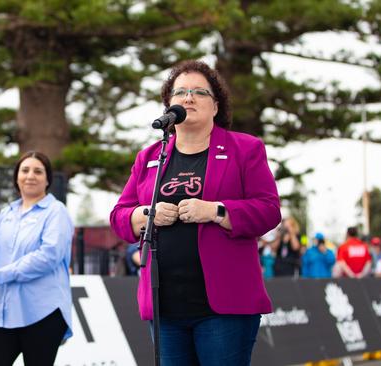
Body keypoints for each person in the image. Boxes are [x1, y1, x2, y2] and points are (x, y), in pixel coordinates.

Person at [110, 60, 281, 365]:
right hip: (166, 308)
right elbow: (120, 215)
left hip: (224, 309)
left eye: (199, 92)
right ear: (169, 105)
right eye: (180, 92)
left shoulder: (245, 149)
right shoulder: (149, 157)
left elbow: (268, 211)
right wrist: (146, 213)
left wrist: (216, 210)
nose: (188, 98)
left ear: (216, 106)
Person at [0, 151, 74, 366]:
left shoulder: (56, 212)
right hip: (2, 312)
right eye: (25, 170)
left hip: (42, 313)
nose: (30, 175)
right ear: (17, 177)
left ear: (47, 179)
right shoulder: (6, 213)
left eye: (38, 171)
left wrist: (1, 275)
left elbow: (48, 256)